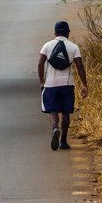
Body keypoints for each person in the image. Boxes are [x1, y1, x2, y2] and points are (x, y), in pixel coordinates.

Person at [38, 20, 87, 150]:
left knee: (53, 110)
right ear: (68, 33)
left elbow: (40, 63)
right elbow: (80, 66)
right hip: (67, 84)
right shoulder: (73, 47)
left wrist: (42, 81)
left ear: (55, 32)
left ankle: (55, 128)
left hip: (51, 84)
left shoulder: (47, 46)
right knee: (66, 112)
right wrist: (84, 84)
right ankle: (63, 141)